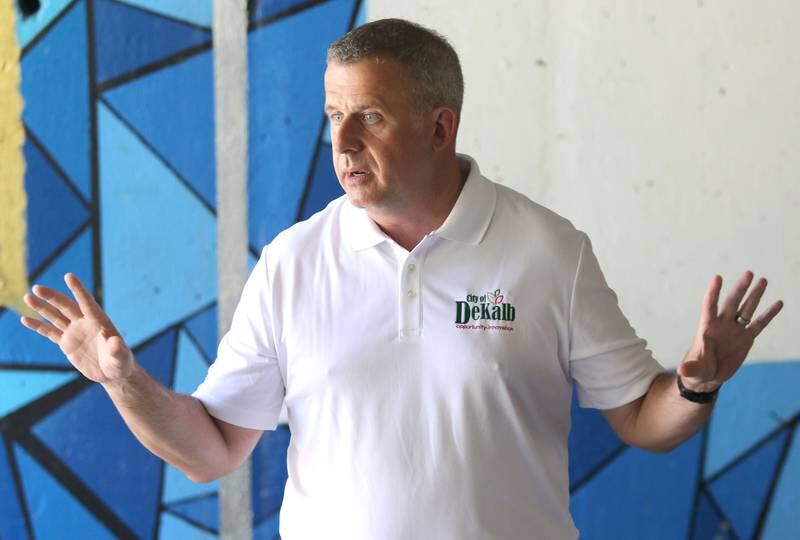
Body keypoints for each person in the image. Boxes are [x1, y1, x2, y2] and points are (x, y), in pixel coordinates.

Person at [20, 18, 783, 540]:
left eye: (371, 117)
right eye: (332, 116)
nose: (341, 143)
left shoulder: (549, 251)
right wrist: (124, 382)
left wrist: (696, 386)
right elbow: (213, 448)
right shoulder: (293, 263)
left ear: (441, 125)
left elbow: (643, 422)